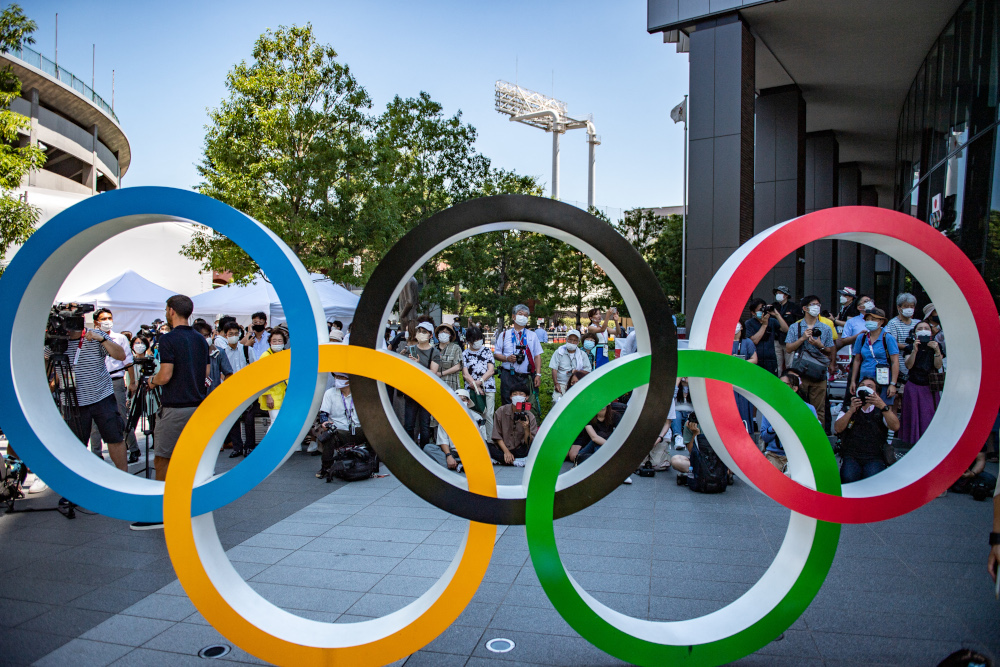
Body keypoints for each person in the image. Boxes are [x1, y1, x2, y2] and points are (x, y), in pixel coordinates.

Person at [131, 295, 209, 530]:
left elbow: (165, 375)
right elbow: (205, 372)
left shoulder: (168, 339)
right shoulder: (200, 339)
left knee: (163, 458)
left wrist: (152, 381)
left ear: (172, 311)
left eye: (166, 309)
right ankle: (190, 505)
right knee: (191, 460)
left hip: (175, 408)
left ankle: (161, 512)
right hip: (197, 406)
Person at [44, 311, 130, 474]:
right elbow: (43, 363)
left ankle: (124, 477)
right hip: (73, 402)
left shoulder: (94, 335)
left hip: (101, 397)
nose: (68, 329)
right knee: (75, 445)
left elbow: (120, 355)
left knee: (114, 438)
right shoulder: (57, 342)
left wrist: (103, 339)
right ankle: (77, 485)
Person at [87, 308, 141, 464]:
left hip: (116, 379)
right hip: (96, 381)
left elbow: (128, 360)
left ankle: (133, 448)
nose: (107, 321)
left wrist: (132, 381)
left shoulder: (120, 338)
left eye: (109, 318)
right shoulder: (90, 337)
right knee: (94, 422)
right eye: (103, 318)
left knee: (121, 417)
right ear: (96, 321)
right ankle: (96, 454)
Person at [834, 376, 899, 482]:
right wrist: (851, 411)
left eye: (869, 386)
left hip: (875, 457)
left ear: (876, 393)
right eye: (862, 386)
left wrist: (882, 405)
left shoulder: (881, 410)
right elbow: (837, 429)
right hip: (852, 455)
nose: (865, 388)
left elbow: (895, 426)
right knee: (848, 477)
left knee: (872, 479)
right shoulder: (848, 407)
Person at [784, 295, 835, 424]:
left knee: (819, 409)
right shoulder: (795, 327)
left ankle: (818, 439)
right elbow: (788, 348)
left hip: (819, 372)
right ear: (805, 308)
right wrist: (802, 338)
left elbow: (830, 350)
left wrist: (820, 346)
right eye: (813, 305)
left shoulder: (826, 328)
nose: (816, 307)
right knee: (798, 405)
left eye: (818, 305)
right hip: (801, 371)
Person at [898, 320, 943, 447]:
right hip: (913, 385)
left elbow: (938, 365)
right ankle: (913, 445)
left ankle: (929, 443)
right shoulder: (910, 346)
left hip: (930, 386)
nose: (923, 330)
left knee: (929, 415)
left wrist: (936, 350)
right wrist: (914, 350)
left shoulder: (936, 345)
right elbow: (909, 365)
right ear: (915, 332)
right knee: (913, 416)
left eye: (926, 328)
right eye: (920, 328)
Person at [761, 372, 816, 472]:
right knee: (770, 481)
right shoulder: (770, 408)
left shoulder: (808, 409)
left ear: (795, 389)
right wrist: (773, 428)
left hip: (799, 457)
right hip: (775, 455)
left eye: (784, 385)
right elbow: (764, 437)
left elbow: (816, 436)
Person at [493, 304, 543, 412]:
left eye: (526, 315)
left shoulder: (532, 335)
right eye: (520, 314)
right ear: (513, 316)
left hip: (525, 376)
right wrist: (507, 358)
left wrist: (538, 374)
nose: (523, 317)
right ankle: (508, 427)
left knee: (525, 405)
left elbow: (537, 356)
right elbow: (496, 354)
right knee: (507, 403)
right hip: (508, 375)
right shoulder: (504, 335)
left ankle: (523, 427)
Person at [429, 388, 489, 471]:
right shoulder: (446, 418)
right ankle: (458, 464)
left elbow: (483, 441)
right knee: (429, 448)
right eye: (458, 399)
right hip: (453, 452)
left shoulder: (477, 418)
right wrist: (448, 456)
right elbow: (443, 441)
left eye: (463, 399)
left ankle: (456, 465)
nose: (460, 402)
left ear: (468, 402)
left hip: (471, 453)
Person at [316, 372, 363, 477]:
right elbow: (324, 413)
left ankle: (370, 462)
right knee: (328, 436)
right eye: (336, 377)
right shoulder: (330, 393)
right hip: (339, 430)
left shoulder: (360, 394)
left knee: (374, 431)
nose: (337, 379)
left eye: (341, 377)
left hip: (358, 428)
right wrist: (325, 422)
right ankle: (326, 467)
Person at [849, 306, 899, 402]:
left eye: (873, 319)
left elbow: (895, 361)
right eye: (867, 319)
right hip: (864, 379)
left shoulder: (888, 338)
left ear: (881, 322)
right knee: (864, 406)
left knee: (883, 408)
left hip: (883, 380)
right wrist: (853, 381)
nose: (869, 321)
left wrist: (893, 384)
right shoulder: (861, 338)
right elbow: (857, 360)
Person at [403, 321, 440, 447]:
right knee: (409, 425)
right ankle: (409, 451)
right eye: (419, 331)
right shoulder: (410, 349)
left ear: (430, 335)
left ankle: (425, 453)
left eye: (424, 332)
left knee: (424, 426)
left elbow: (433, 372)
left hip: (426, 393)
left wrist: (418, 365)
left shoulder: (434, 352)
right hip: (411, 391)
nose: (421, 334)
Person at [489, 382, 537, 465]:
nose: (518, 397)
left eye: (521, 394)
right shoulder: (501, 411)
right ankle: (514, 460)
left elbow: (528, 442)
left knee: (532, 449)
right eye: (515, 394)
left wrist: (526, 428)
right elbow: (497, 436)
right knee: (487, 447)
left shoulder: (530, 415)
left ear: (526, 397)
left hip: (520, 449)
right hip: (503, 448)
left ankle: (505, 460)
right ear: (511, 397)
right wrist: (506, 452)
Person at [462, 327, 496, 439]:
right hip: (471, 390)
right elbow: (465, 374)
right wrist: (476, 387)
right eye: (475, 339)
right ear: (469, 341)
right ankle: (477, 439)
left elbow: (491, 370)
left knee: (488, 414)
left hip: (488, 387)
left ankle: (490, 440)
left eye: (479, 338)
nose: (478, 342)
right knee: (475, 415)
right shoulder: (465, 354)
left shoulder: (487, 351)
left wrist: (480, 382)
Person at [884, 292, 921, 391]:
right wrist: (906, 347)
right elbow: (891, 342)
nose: (909, 308)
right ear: (899, 308)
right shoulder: (893, 323)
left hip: (915, 365)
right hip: (900, 365)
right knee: (898, 395)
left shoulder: (918, 323)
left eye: (912, 306)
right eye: (906, 306)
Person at [744, 298, 786, 375]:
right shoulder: (749, 323)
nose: (763, 311)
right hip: (756, 359)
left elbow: (785, 329)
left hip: (771, 360)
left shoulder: (772, 321)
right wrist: (764, 325)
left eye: (764, 308)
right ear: (753, 312)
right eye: (760, 310)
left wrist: (777, 314)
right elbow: (754, 341)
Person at [257, 330, 288, 431]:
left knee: (282, 422)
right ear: (270, 342)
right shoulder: (265, 356)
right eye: (274, 341)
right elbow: (262, 378)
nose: (277, 343)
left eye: (280, 341)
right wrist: (268, 395)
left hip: (284, 393)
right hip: (272, 394)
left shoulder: (286, 355)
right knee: (275, 422)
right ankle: (268, 445)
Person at [549, 329, 590, 404]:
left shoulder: (582, 354)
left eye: (575, 340)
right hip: (562, 384)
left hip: (577, 384)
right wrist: (556, 384)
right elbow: (554, 369)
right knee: (556, 401)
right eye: (570, 340)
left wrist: (577, 372)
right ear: (566, 340)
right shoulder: (559, 352)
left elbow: (588, 371)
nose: (572, 342)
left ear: (578, 342)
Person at [732, 322, 758, 434]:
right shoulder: (725, 342)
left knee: (743, 404)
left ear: (742, 326)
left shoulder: (747, 342)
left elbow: (754, 359)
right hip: (729, 378)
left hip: (743, 379)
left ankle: (745, 430)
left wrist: (740, 363)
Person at [772, 286, 802, 372]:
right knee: (778, 365)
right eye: (777, 293)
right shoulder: (774, 306)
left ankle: (790, 381)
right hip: (776, 339)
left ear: (786, 295)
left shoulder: (794, 307)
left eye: (780, 293)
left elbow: (798, 322)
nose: (778, 295)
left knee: (790, 364)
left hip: (790, 339)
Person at [435, 323, 463, 391]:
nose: (444, 333)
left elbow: (457, 367)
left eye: (447, 332)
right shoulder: (433, 348)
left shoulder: (456, 348)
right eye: (442, 331)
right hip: (435, 383)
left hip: (450, 383)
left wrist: (441, 373)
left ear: (450, 335)